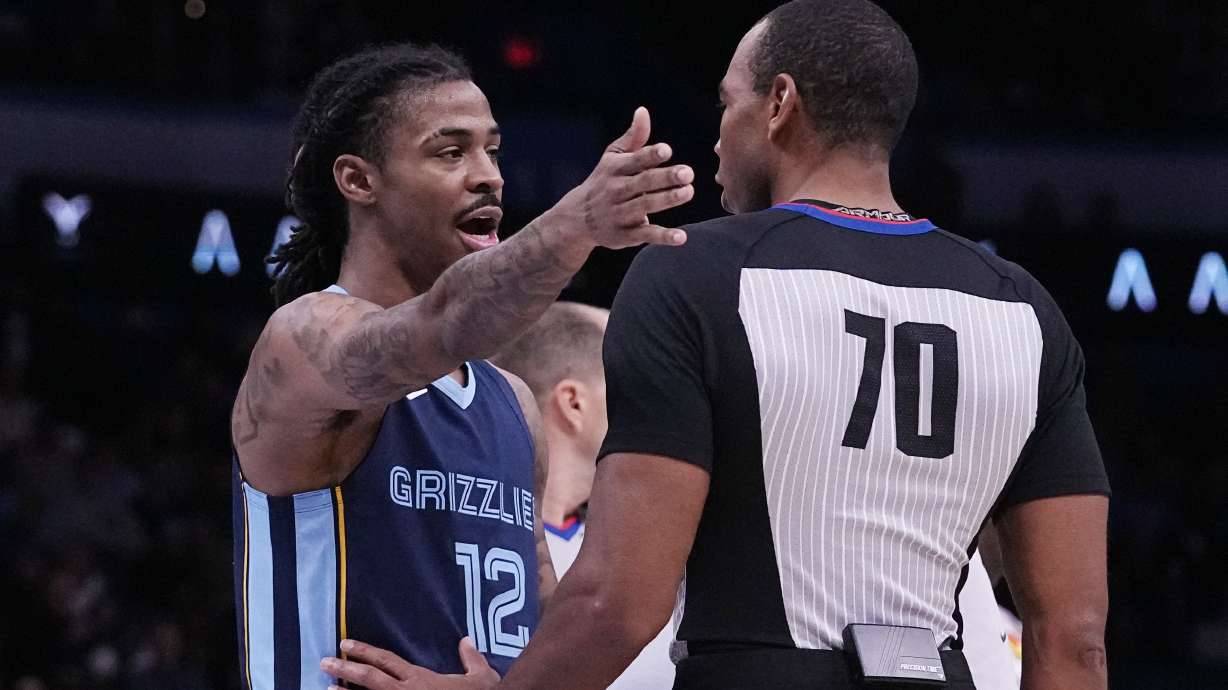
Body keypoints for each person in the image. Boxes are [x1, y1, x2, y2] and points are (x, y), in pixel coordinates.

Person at [322, 2, 1110, 689]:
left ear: (779, 105)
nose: (718, 137)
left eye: (726, 103)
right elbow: (1073, 640)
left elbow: (621, 603)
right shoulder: (1026, 310)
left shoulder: (696, 271)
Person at [230, 42, 695, 689]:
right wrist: (573, 227)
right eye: (451, 152)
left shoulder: (511, 401)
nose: (489, 176)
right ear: (359, 180)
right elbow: (439, 323)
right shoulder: (304, 345)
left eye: (492, 150)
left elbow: (549, 627)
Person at [489, 302, 676, 689]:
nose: (655, 406)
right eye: (633, 386)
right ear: (573, 403)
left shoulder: (649, 551)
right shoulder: (490, 548)